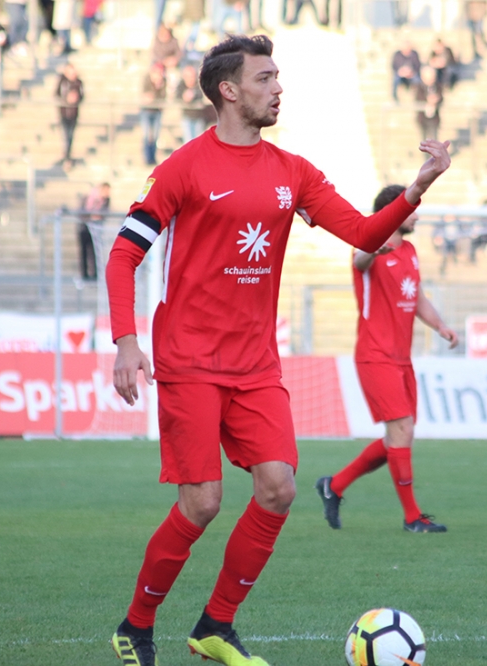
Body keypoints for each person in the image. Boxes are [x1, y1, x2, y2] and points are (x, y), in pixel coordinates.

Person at [105, 34, 451, 666]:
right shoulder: (183, 168)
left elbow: (362, 232)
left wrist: (417, 187)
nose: (278, 88)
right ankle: (136, 625)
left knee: (278, 488)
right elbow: (124, 254)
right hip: (189, 360)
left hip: (256, 364)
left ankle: (216, 626)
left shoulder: (293, 171)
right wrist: (126, 342)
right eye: (264, 78)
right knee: (202, 503)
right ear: (228, 90)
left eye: (277, 77)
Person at [315, 184, 459, 536]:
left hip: (401, 358)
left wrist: (440, 326)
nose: (416, 216)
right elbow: (360, 260)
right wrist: (374, 248)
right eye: (411, 209)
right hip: (375, 356)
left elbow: (417, 296)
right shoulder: (367, 245)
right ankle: (412, 518)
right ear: (394, 210)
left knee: (399, 437)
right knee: (402, 431)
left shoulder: (409, 250)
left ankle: (334, 485)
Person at [78, 181, 109, 279]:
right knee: (84, 251)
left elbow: (103, 214)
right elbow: (84, 211)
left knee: (94, 251)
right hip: (85, 227)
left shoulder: (106, 200)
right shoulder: (90, 198)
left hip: (96, 228)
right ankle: (84, 274)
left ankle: (95, 273)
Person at [54, 62, 83, 166]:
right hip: (64, 112)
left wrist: (76, 98)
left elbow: (82, 96)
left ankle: (68, 155)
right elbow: (56, 94)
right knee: (66, 134)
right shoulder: (62, 82)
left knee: (70, 134)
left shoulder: (78, 83)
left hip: (74, 113)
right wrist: (66, 99)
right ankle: (66, 156)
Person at [175, 62, 210, 143]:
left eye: (192, 76)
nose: (191, 79)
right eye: (188, 76)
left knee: (199, 141)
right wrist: (184, 96)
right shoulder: (181, 84)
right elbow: (177, 95)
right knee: (188, 141)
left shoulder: (199, 84)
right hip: (187, 116)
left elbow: (203, 94)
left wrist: (194, 94)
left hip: (199, 116)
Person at [140, 60, 166, 166]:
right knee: (147, 135)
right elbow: (145, 96)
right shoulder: (147, 80)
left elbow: (162, 97)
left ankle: (153, 157)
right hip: (147, 111)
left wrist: (159, 86)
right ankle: (147, 157)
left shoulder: (163, 82)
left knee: (155, 135)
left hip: (157, 111)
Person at [413, 64, 442, 142]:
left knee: (434, 139)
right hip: (423, 118)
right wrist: (427, 100)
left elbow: (441, 97)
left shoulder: (437, 86)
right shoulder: (419, 87)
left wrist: (436, 99)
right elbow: (417, 98)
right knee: (424, 140)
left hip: (434, 118)